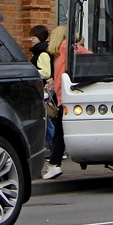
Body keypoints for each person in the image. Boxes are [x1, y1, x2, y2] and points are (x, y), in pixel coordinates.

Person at [42, 23, 69, 180]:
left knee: (60, 131)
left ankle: (54, 164)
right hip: (65, 96)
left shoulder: (61, 51)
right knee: (60, 131)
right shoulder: (65, 49)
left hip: (62, 97)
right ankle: (54, 163)